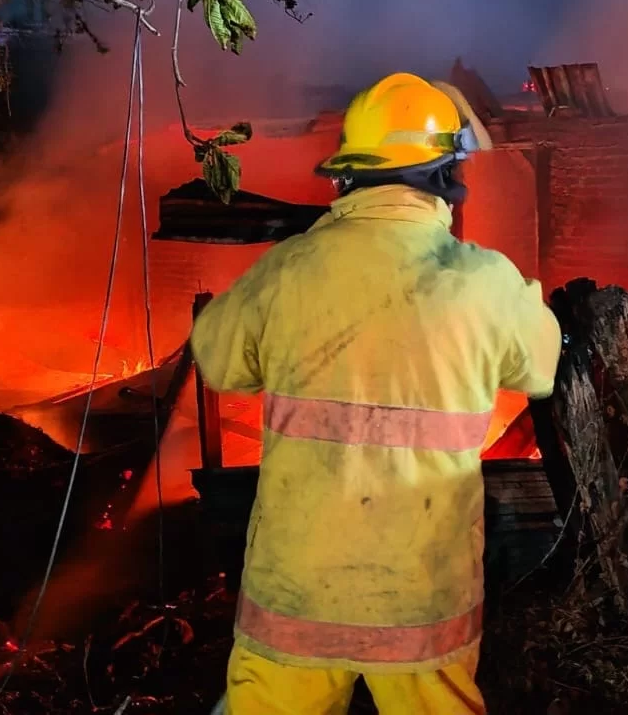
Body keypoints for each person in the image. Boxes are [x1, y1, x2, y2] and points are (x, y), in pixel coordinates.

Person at [191, 72, 562, 714]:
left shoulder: (286, 269)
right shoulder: (485, 282)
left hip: (294, 602)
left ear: (347, 176)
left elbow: (218, 358)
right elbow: (541, 369)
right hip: (421, 607)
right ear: (446, 175)